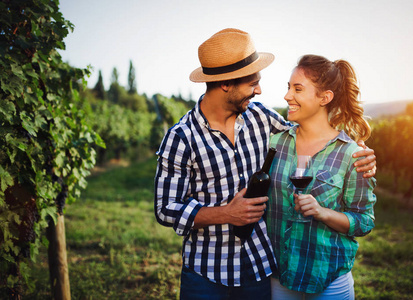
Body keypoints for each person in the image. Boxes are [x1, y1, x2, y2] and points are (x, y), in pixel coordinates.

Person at [154, 29, 376, 300]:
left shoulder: (260, 118)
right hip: (205, 274)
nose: (259, 90)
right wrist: (226, 214)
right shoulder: (181, 137)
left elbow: (312, 129)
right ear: (226, 84)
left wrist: (359, 151)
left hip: (258, 269)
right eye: (252, 83)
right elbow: (166, 209)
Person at [267, 54, 377, 300]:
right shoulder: (274, 144)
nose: (287, 96)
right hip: (279, 274)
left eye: (297, 89)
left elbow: (364, 221)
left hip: (328, 278)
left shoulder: (351, 154)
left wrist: (322, 212)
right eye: (288, 87)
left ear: (324, 98)